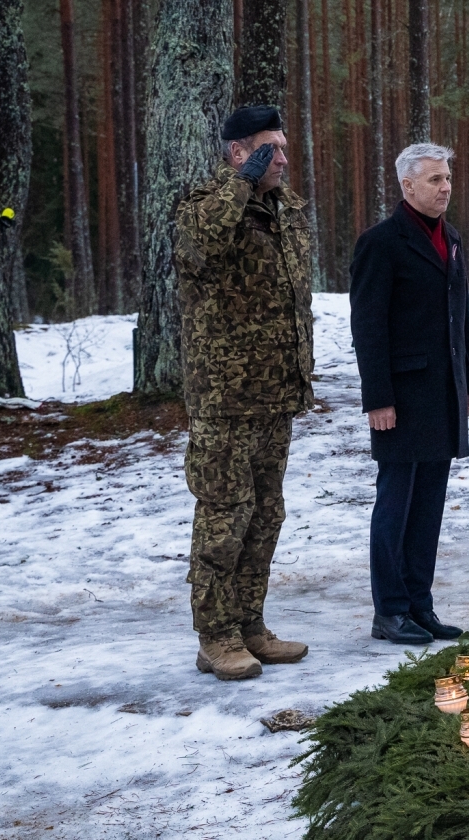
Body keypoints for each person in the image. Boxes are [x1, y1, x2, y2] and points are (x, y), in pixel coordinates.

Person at [174, 105, 314, 681]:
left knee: (265, 516)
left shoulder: (286, 211)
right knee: (223, 517)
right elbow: (198, 249)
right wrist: (240, 184)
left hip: (276, 392)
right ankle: (216, 636)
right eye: (270, 150)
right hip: (225, 398)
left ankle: (251, 624)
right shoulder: (204, 207)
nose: (282, 160)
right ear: (240, 153)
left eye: (282, 149)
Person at [350, 143, 469, 645]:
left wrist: (468, 379)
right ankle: (390, 611)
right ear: (407, 186)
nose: (445, 187)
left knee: (429, 505)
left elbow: (460, 316)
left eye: (447, 178)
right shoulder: (381, 242)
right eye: (434, 180)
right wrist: (377, 397)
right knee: (396, 504)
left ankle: (420, 606)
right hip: (400, 398)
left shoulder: (452, 238)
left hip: (444, 392)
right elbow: (368, 325)